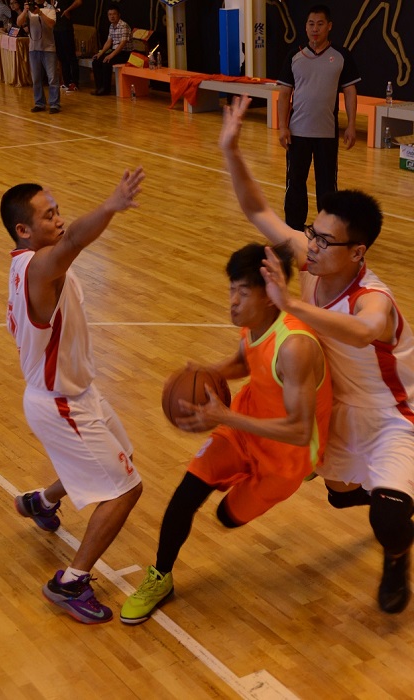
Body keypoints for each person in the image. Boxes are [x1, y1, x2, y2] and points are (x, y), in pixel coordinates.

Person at [219, 94, 414, 614]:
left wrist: (292, 305)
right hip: (342, 409)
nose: (312, 246)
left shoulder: (374, 297)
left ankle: (398, 553)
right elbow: (257, 209)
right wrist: (230, 149)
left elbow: (363, 332)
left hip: (394, 415)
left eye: (325, 241)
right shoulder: (314, 261)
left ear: (358, 252)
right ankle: (391, 491)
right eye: (313, 234)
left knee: (388, 517)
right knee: (339, 493)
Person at [120, 242, 333, 624]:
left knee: (227, 517)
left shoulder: (295, 347)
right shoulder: (253, 325)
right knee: (185, 495)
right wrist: (205, 373)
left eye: (243, 292)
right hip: (247, 424)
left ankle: (350, 486)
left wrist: (225, 416)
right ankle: (160, 577)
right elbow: (243, 360)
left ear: (269, 294)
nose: (233, 301)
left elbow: (300, 431)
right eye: (231, 289)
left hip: (287, 456)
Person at [1, 166, 145, 624]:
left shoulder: (27, 263)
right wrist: (111, 205)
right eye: (48, 216)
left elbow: (68, 242)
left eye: (58, 211)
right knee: (126, 489)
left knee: (121, 454)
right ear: (23, 230)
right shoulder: (41, 268)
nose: (59, 220)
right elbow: (75, 242)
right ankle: (70, 583)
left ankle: (41, 501)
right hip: (60, 402)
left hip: (78, 392)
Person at [276, 4, 360, 231]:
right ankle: (294, 228)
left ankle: (326, 229)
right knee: (295, 182)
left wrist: (351, 125)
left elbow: (350, 92)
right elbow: (284, 94)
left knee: (327, 185)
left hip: (327, 133)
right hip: (297, 133)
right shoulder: (294, 56)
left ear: (329, 26)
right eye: (311, 24)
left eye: (320, 24)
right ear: (305, 27)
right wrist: (282, 127)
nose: (315, 29)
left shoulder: (341, 56)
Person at [17, 0, 61, 114]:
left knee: (52, 77)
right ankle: (39, 103)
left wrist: (40, 13)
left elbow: (51, 24)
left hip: (48, 48)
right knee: (36, 78)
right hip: (33, 48)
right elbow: (19, 22)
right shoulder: (29, 10)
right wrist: (25, 11)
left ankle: (54, 104)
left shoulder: (50, 8)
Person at [91, 3, 131, 97]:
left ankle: (106, 89)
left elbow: (122, 44)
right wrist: (101, 53)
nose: (112, 16)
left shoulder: (124, 26)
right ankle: (99, 87)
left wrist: (111, 55)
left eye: (114, 14)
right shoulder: (111, 26)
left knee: (107, 62)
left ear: (119, 15)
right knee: (96, 61)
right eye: (110, 14)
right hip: (115, 51)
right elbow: (109, 42)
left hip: (125, 53)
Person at [53, 0, 82, 93]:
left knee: (70, 55)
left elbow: (79, 1)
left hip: (66, 27)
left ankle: (75, 83)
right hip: (56, 28)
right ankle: (66, 81)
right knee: (61, 56)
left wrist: (68, 10)